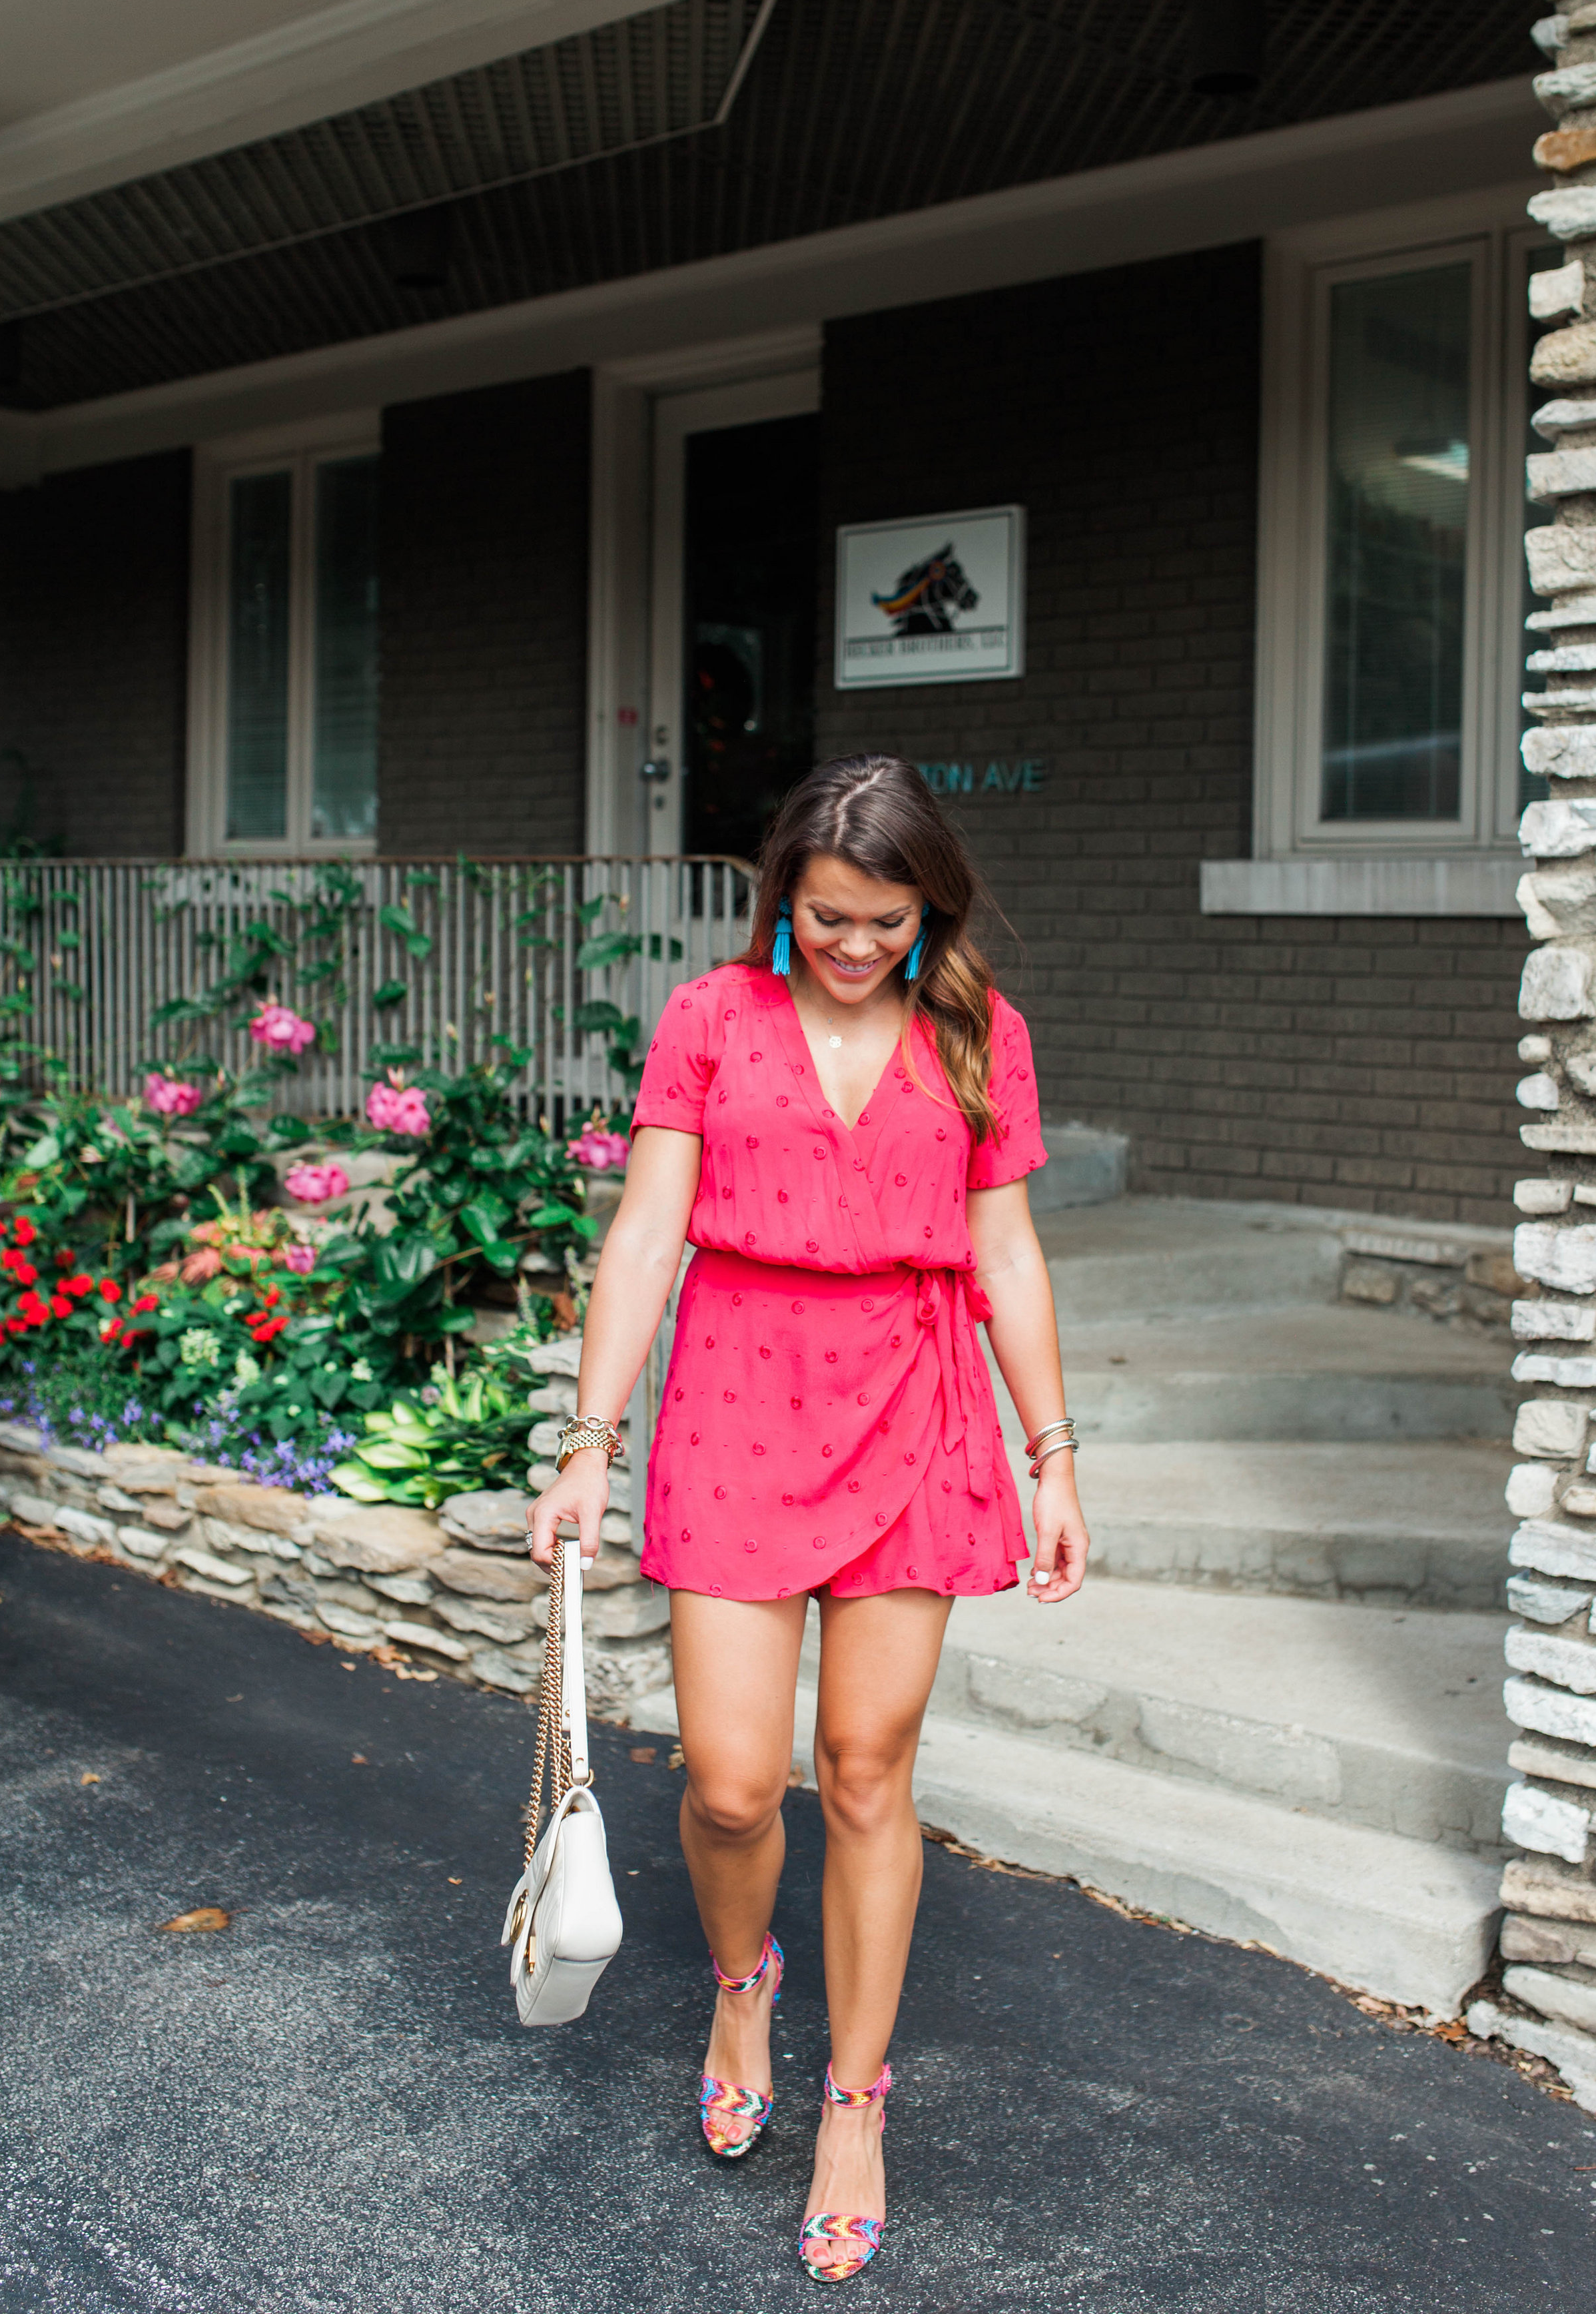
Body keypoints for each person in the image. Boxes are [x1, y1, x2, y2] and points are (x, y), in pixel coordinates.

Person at [527, 751, 1089, 2284]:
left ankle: (854, 2098)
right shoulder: (713, 1019)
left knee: (859, 1768)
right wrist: (589, 1437)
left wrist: (1050, 1453)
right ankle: (738, 1976)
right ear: (785, 896)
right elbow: (645, 1229)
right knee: (724, 1785)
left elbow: (1009, 1258)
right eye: (829, 915)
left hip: (913, 1402)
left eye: (885, 921)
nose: (854, 947)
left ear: (930, 908)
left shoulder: (976, 1033)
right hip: (732, 1396)